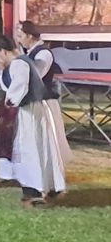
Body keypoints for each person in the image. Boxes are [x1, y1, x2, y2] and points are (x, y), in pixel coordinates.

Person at [0, 35, 66, 208]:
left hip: (28, 111)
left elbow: (20, 87)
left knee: (29, 149)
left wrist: (8, 103)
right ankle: (47, 186)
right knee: (35, 148)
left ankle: (34, 189)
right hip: (26, 111)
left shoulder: (20, 64)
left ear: (2, 51)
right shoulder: (18, 63)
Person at [16, 20, 74, 165]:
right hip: (31, 100)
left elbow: (36, 74)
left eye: (20, 36)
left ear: (29, 36)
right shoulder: (29, 53)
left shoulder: (43, 53)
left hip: (43, 102)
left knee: (44, 139)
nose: (19, 40)